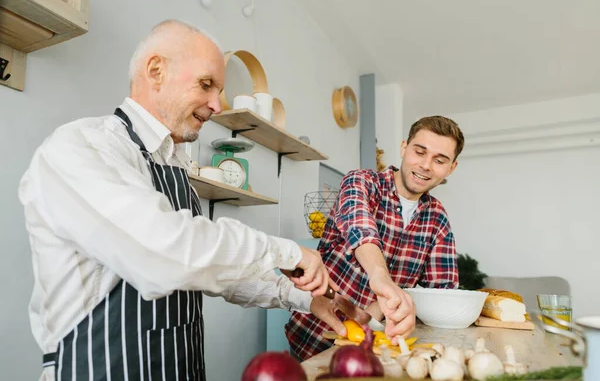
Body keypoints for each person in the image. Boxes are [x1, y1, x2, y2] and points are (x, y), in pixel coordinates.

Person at [18, 19, 340, 381]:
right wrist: (288, 252)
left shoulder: (172, 163)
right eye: (207, 85)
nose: (217, 105)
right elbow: (167, 254)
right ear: (156, 70)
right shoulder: (82, 148)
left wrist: (302, 297)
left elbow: (211, 269)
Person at [285, 115, 465, 360]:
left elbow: (441, 292)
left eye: (439, 160)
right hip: (314, 339)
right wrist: (381, 276)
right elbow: (360, 229)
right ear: (404, 148)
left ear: (451, 168)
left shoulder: (438, 219)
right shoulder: (362, 182)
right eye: (419, 152)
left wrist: (386, 305)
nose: (426, 165)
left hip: (381, 350)